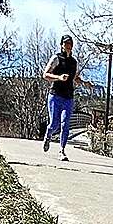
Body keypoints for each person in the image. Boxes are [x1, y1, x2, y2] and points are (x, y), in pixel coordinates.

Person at [42, 33, 90, 161]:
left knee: (66, 124)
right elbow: (45, 74)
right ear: (62, 45)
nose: (68, 46)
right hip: (55, 95)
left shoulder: (74, 62)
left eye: (70, 44)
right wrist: (58, 77)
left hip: (68, 97)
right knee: (54, 124)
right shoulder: (56, 59)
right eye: (66, 43)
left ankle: (62, 150)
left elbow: (75, 77)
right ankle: (48, 135)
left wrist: (84, 83)